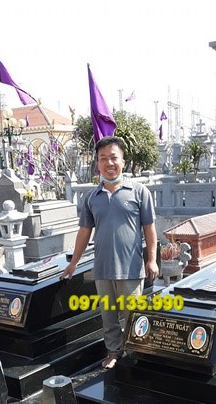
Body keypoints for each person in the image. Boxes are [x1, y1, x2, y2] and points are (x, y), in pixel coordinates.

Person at [61, 136, 159, 369]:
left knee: (133, 315)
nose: (109, 163)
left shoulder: (139, 192)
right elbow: (84, 232)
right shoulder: (91, 198)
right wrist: (73, 263)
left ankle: (137, 354)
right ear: (97, 163)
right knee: (108, 316)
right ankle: (114, 352)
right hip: (103, 268)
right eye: (103, 158)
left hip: (131, 268)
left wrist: (152, 259)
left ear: (123, 161)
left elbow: (150, 229)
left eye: (114, 157)